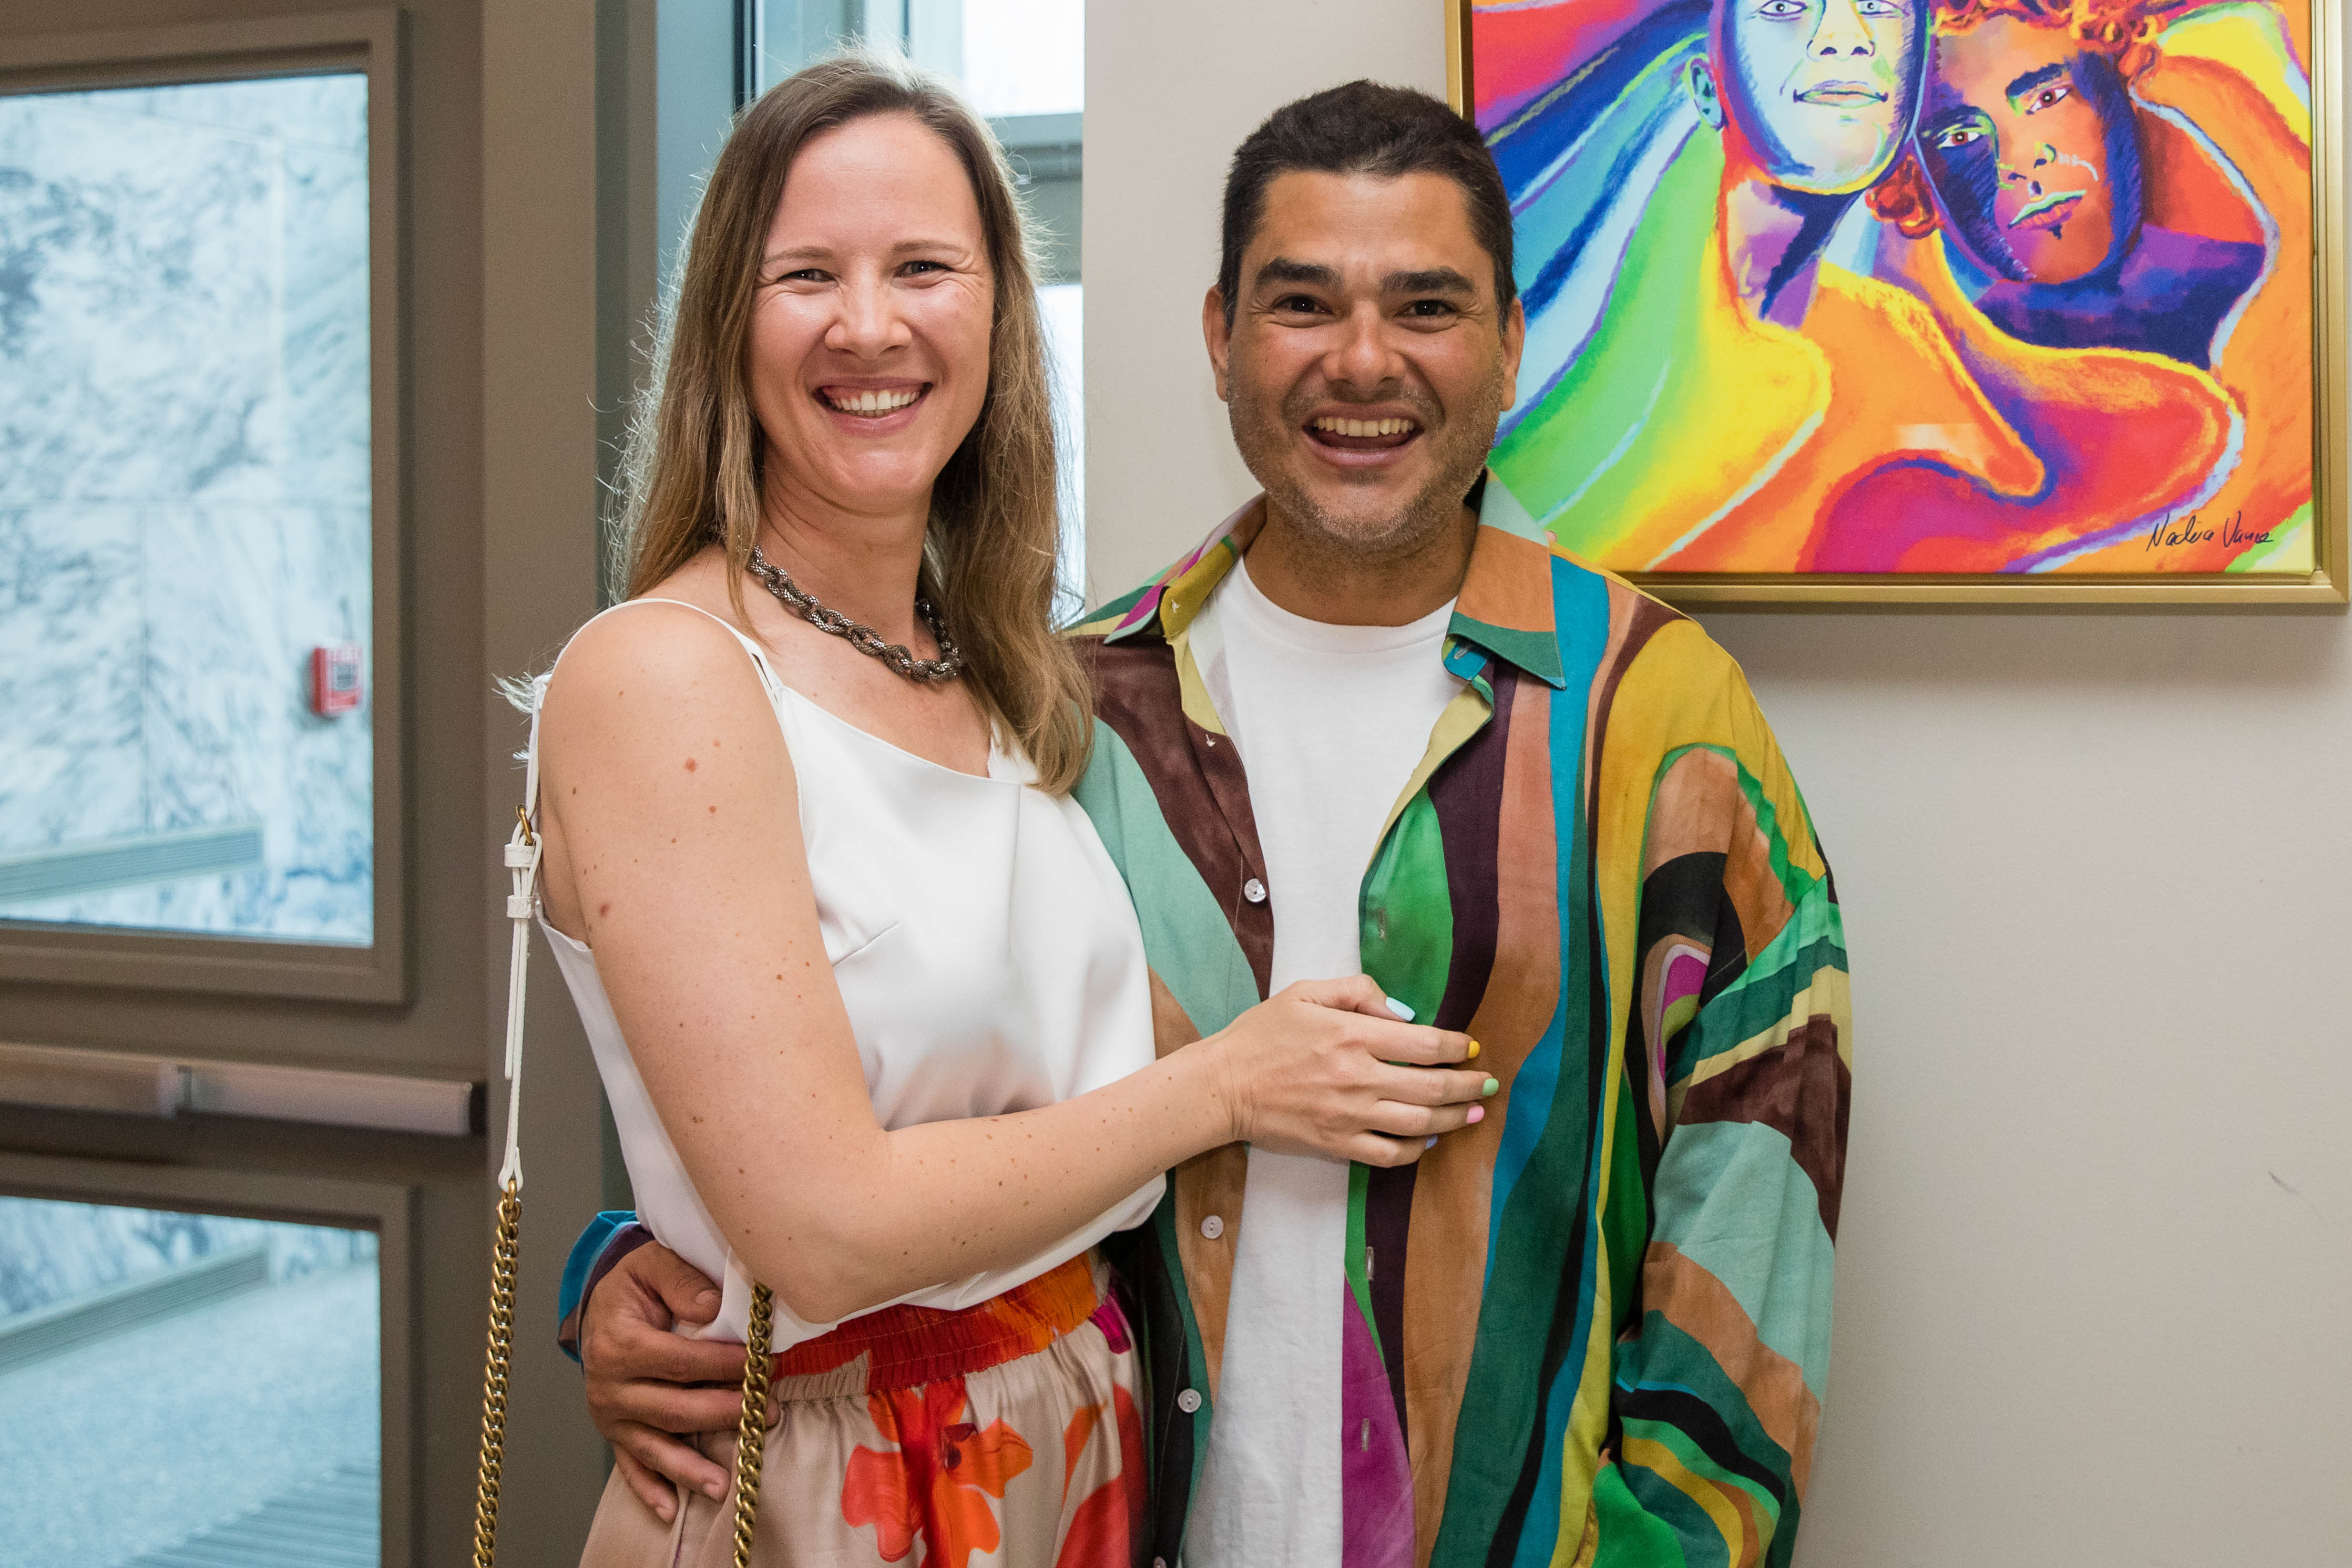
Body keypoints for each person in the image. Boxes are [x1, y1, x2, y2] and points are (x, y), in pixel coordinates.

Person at [569, 81, 1853, 1565]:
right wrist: (650, 1272)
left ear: (1508, 341)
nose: (1361, 361)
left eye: (1425, 305)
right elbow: (882, 1073)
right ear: (1219, 338)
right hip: (1109, 1518)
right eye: (1300, 302)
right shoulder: (1071, 700)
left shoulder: (1653, 715)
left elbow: (1755, 1194)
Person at [526, 56, 1495, 1568]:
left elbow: (951, 1066)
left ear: (996, 314)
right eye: (806, 274)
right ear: (731, 315)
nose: (870, 323)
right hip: (848, 1480)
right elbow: (823, 1224)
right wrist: (1231, 1083)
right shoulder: (664, 675)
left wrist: (631, 1263)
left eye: (924, 267)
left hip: (1074, 1443)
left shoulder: (1022, 676)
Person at [1860, 0, 2313, 570]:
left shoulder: (2267, 293)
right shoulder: (1931, 390)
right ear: (1911, 174)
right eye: (1957, 137)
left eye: (2047, 99)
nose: (2020, 163)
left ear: (2123, 82)